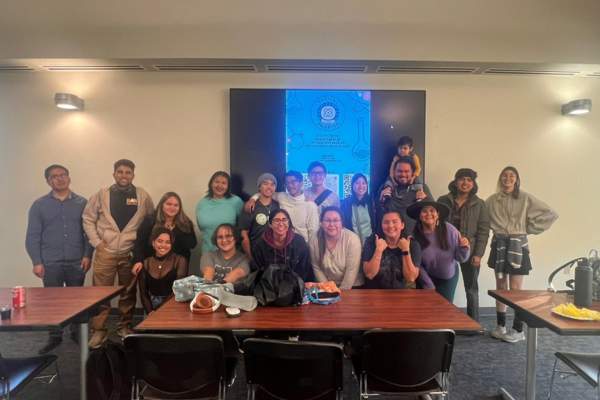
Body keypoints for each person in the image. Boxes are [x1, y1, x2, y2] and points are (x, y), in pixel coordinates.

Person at [83, 159, 154, 348]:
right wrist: (97, 243)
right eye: (120, 172)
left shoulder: (142, 196)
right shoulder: (101, 194)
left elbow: (150, 220)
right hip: (105, 251)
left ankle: (124, 327)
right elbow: (88, 219)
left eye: (128, 172)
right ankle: (99, 331)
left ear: (133, 175)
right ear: (114, 174)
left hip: (129, 252)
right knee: (100, 294)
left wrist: (140, 248)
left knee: (128, 293)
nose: (124, 175)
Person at [25, 164, 93, 354]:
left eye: (63, 175)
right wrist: (36, 262)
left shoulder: (82, 203)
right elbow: (33, 236)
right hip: (50, 263)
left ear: (69, 178)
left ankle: (76, 333)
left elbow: (89, 233)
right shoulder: (39, 205)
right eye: (54, 176)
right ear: (48, 181)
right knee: (52, 303)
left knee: (76, 300)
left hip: (76, 261)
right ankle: (54, 337)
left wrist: (87, 255)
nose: (60, 179)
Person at [486, 166, 558, 343]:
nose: (507, 178)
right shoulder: (492, 200)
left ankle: (518, 330)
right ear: (500, 179)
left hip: (518, 246)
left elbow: (550, 214)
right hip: (499, 244)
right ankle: (500, 326)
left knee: (516, 290)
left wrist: (528, 229)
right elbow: (483, 220)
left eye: (512, 176)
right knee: (501, 287)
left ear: (517, 180)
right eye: (504, 175)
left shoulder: (525, 197)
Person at [438, 168, 490, 321]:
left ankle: (473, 322)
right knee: (445, 286)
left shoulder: (480, 204)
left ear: (473, 184)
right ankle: (442, 320)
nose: (465, 182)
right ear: (455, 181)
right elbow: (435, 224)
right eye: (462, 179)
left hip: (470, 251)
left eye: (469, 180)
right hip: (446, 250)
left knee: (471, 288)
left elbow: (483, 230)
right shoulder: (443, 200)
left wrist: (479, 254)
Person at [408, 201, 470, 302]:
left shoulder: (450, 230)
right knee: (426, 307)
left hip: (448, 278)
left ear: (438, 214)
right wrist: (428, 284)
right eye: (424, 211)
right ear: (419, 216)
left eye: (432, 211)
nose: (428, 214)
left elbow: (461, 259)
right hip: (425, 277)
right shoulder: (414, 237)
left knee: (444, 308)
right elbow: (418, 265)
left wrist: (464, 248)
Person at [362, 210, 433, 289]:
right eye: (386, 222)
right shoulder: (371, 241)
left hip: (401, 294)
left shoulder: (412, 244)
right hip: (375, 293)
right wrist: (378, 251)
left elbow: (411, 277)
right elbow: (369, 274)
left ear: (402, 225)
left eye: (395, 222)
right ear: (381, 225)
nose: (390, 226)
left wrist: (406, 251)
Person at [131, 192, 197, 276]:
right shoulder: (150, 221)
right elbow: (139, 243)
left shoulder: (185, 223)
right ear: (162, 205)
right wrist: (138, 261)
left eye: (176, 205)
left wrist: (173, 232)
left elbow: (192, 244)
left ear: (179, 208)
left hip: (177, 267)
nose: (172, 208)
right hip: (152, 267)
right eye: (168, 204)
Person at [246, 171, 319, 243]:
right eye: (287, 183)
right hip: (283, 245)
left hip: (302, 246)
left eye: (293, 182)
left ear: (301, 183)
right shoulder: (282, 197)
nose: (290, 185)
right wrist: (252, 199)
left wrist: (312, 254)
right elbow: (266, 192)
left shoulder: (310, 205)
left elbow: (313, 234)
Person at [251, 209, 315, 282]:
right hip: (269, 286)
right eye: (277, 220)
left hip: (295, 285)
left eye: (284, 220)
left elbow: (305, 268)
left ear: (289, 223)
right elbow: (257, 270)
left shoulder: (299, 242)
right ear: (270, 224)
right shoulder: (260, 244)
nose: (281, 224)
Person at [309, 206, 363, 290]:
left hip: (352, 286)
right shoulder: (314, 239)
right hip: (325, 286)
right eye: (327, 220)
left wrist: (340, 293)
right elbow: (316, 267)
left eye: (336, 220)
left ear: (342, 223)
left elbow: (351, 271)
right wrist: (328, 289)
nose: (331, 224)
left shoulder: (352, 239)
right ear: (321, 223)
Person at [138, 227, 188, 314]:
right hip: (151, 307)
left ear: (171, 244)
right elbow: (143, 293)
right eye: (160, 241)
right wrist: (150, 312)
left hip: (174, 303)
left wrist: (158, 311)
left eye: (167, 242)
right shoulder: (146, 263)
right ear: (153, 243)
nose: (163, 245)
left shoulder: (180, 260)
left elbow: (178, 290)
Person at [378, 156, 433, 233]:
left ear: (413, 173)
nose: (403, 174)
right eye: (399, 171)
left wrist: (425, 201)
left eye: (407, 171)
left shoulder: (421, 188)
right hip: (392, 239)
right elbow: (377, 218)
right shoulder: (385, 189)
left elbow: (433, 215)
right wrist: (381, 203)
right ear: (394, 172)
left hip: (416, 239)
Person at [196, 171, 243, 253]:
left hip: (230, 253)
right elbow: (202, 227)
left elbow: (242, 227)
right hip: (208, 253)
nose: (220, 186)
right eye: (216, 182)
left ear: (228, 186)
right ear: (211, 183)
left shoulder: (236, 202)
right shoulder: (202, 203)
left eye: (224, 183)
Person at [239, 173, 279, 258]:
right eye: (265, 183)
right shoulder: (250, 206)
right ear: (259, 187)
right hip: (255, 254)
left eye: (272, 184)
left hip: (275, 254)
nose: (269, 187)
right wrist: (250, 257)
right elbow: (244, 234)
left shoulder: (278, 205)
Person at [340, 173, 376, 245]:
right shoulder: (345, 203)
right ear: (352, 185)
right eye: (357, 183)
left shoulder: (372, 202)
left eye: (363, 183)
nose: (361, 186)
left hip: (370, 243)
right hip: (351, 243)